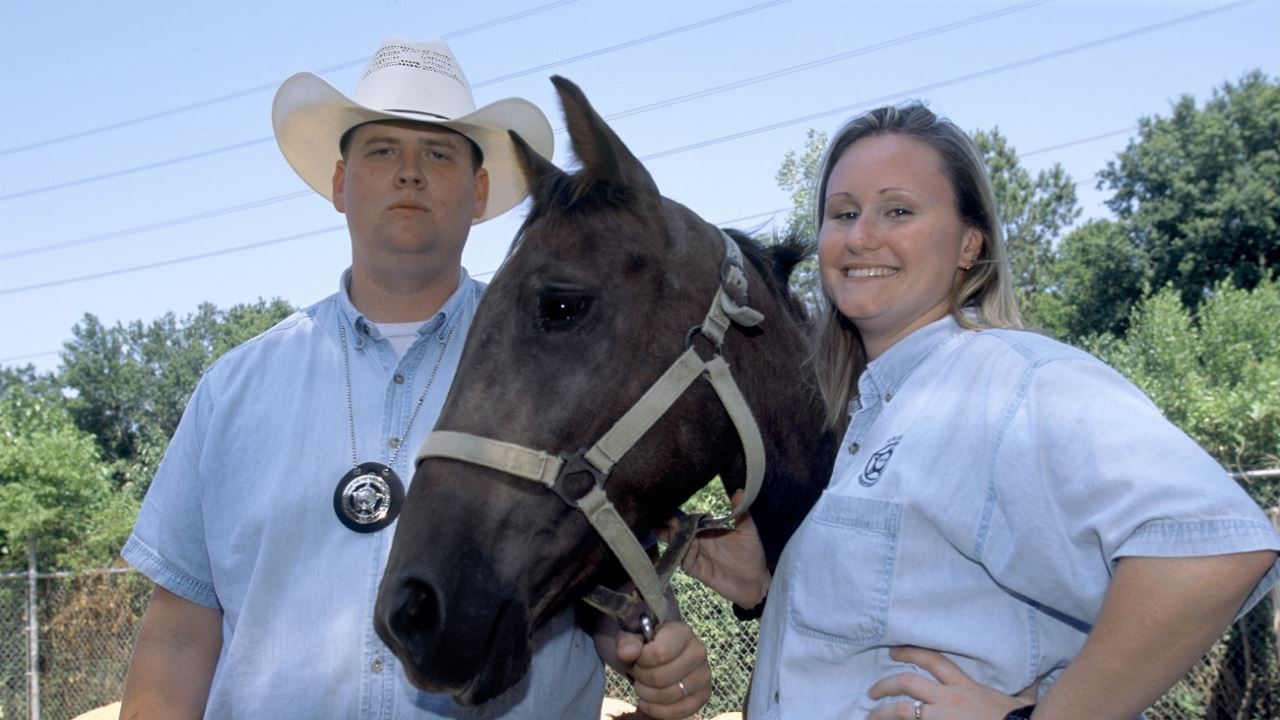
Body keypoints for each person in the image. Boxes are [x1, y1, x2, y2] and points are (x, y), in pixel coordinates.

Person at [119, 37, 709, 720]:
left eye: (438, 153)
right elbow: (179, 634)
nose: (409, 173)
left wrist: (648, 650)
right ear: (340, 184)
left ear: (481, 192)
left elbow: (609, 593)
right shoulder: (233, 391)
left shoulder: (574, 364)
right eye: (380, 151)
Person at [682, 102, 1280, 719]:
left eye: (898, 210)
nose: (861, 236)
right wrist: (771, 586)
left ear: (970, 243)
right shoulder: (876, 415)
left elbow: (1214, 547)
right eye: (844, 213)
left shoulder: (1008, 378)